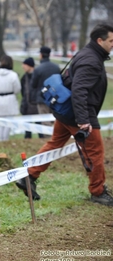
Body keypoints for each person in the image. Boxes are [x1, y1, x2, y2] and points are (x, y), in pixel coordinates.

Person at [16, 23, 113, 206]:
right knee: (95, 152)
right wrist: (84, 120)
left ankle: (28, 176)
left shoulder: (87, 53)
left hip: (67, 111)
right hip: (80, 114)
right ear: (99, 41)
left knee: (54, 144)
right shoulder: (91, 60)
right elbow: (79, 90)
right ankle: (98, 192)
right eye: (111, 40)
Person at [0, 55, 21, 142]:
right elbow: (17, 89)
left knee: (1, 122)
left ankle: (1, 139)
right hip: (10, 99)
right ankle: (5, 139)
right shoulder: (13, 75)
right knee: (9, 121)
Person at [30, 46, 60, 126]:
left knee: (45, 122)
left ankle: (48, 137)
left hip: (42, 98)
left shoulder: (38, 69)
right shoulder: (56, 67)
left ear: (41, 55)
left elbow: (33, 85)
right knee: (56, 121)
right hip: (54, 97)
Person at [20, 57, 44, 139]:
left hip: (37, 105)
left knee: (40, 129)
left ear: (30, 66)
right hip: (27, 106)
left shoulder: (38, 75)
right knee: (27, 130)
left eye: (25, 64)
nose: (23, 66)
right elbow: (23, 92)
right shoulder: (24, 78)